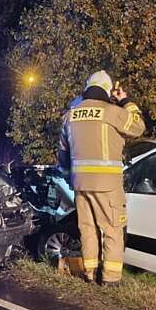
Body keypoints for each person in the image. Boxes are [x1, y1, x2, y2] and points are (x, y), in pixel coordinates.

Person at [58, 70, 145, 286]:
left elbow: (62, 154)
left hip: (80, 185)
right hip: (107, 186)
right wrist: (125, 100)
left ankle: (90, 273)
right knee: (113, 230)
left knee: (87, 229)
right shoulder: (112, 111)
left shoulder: (70, 115)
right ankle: (111, 279)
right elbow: (138, 127)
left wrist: (70, 178)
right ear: (107, 90)